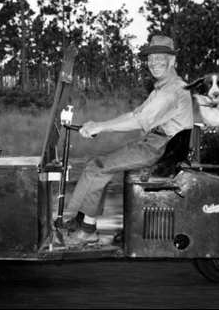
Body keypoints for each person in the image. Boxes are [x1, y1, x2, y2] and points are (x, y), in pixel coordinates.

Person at [64, 35, 194, 245]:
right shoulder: (162, 88)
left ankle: (84, 228)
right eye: (151, 58)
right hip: (156, 144)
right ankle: (80, 221)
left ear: (173, 61)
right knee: (97, 164)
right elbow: (134, 114)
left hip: (160, 148)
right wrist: (98, 124)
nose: (154, 62)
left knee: (97, 166)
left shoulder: (171, 90)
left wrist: (101, 127)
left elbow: (140, 121)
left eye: (161, 57)